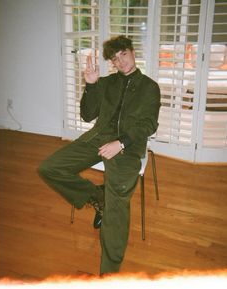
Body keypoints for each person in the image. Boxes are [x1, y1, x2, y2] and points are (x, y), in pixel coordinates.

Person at [38, 35, 161, 275]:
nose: (120, 61)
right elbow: (87, 114)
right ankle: (96, 196)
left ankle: (109, 273)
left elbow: (148, 125)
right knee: (49, 168)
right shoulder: (107, 83)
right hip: (97, 139)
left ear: (132, 52)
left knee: (117, 206)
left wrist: (121, 143)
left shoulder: (149, 87)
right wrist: (91, 84)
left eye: (123, 54)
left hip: (127, 147)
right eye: (115, 59)